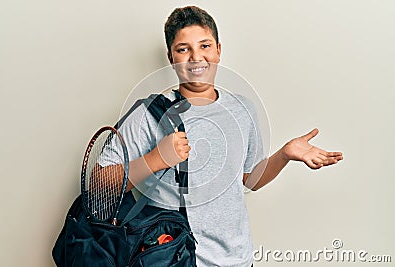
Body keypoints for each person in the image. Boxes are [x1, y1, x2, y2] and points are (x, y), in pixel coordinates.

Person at [107, 6, 343, 267]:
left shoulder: (242, 109)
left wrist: (285, 154)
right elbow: (97, 188)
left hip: (239, 259)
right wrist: (155, 159)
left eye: (205, 46)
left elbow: (249, 181)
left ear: (218, 50)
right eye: (183, 49)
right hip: (177, 259)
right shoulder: (149, 113)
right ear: (171, 57)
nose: (196, 57)